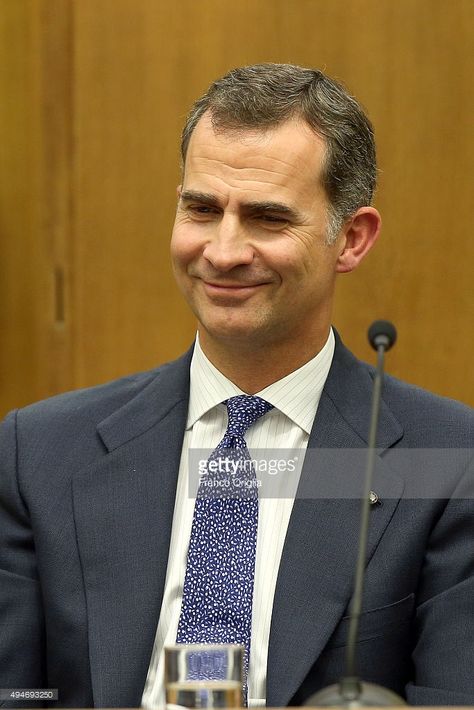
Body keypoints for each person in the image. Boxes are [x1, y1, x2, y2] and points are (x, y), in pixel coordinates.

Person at [0, 63, 473, 709]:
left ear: (352, 239)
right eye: (201, 209)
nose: (222, 251)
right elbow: (16, 693)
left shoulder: (446, 462)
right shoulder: (42, 452)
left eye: (267, 219)